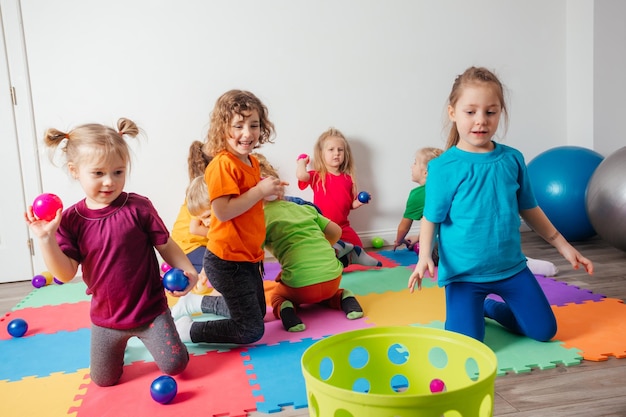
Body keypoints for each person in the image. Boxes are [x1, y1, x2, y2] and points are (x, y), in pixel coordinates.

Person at [407, 67, 594, 343]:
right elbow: (430, 218)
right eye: (470, 112)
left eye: (490, 112)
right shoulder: (442, 168)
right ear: (453, 113)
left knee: (544, 331)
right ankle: (473, 308)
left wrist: (563, 245)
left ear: (499, 114)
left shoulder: (512, 159)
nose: (480, 121)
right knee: (468, 345)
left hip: (511, 269)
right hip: (464, 276)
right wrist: (424, 257)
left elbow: (529, 208)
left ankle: (490, 308)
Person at [24, 118, 198, 387]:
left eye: (118, 172)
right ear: (74, 170)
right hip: (107, 319)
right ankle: (119, 349)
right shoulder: (71, 220)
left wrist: (188, 270)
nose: (109, 182)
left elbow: (166, 245)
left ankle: (173, 334)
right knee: (102, 380)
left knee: (176, 366)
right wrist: (46, 239)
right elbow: (66, 273)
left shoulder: (139, 207)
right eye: (98, 173)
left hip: (150, 312)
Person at [173, 157, 365, 332]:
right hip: (331, 276)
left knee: (268, 303)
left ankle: (283, 308)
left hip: (282, 278)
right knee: (253, 315)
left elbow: (249, 250)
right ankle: (343, 295)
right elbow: (336, 233)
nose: (206, 222)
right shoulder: (299, 209)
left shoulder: (255, 218)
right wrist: (322, 249)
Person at [173, 89, 284, 345]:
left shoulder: (251, 162)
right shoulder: (222, 164)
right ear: (223, 129)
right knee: (251, 330)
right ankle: (188, 331)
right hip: (227, 261)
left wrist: (267, 192)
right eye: (239, 126)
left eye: (254, 125)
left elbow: (246, 201)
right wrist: (259, 191)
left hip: (247, 257)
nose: (248, 133)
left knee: (258, 314)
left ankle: (195, 302)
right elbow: (222, 210)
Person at [296, 127, 368, 248]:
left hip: (343, 227)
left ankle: (339, 251)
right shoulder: (318, 176)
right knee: (319, 251)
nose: (337, 153)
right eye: (331, 149)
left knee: (358, 248)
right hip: (322, 227)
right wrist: (301, 162)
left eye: (340, 150)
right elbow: (301, 175)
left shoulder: (348, 179)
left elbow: (350, 205)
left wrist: (359, 201)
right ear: (321, 153)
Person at [170, 141, 213, 293]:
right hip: (187, 246)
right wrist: (222, 235)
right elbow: (194, 228)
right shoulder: (201, 195)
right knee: (219, 267)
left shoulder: (202, 190)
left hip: (193, 245)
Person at [393, 147, 444, 262]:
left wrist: (399, 240)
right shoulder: (445, 189)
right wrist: (419, 237)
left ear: (425, 173)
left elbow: (404, 225)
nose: (412, 166)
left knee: (423, 250)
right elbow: (433, 222)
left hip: (447, 251)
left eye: (415, 163)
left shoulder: (417, 195)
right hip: (462, 245)